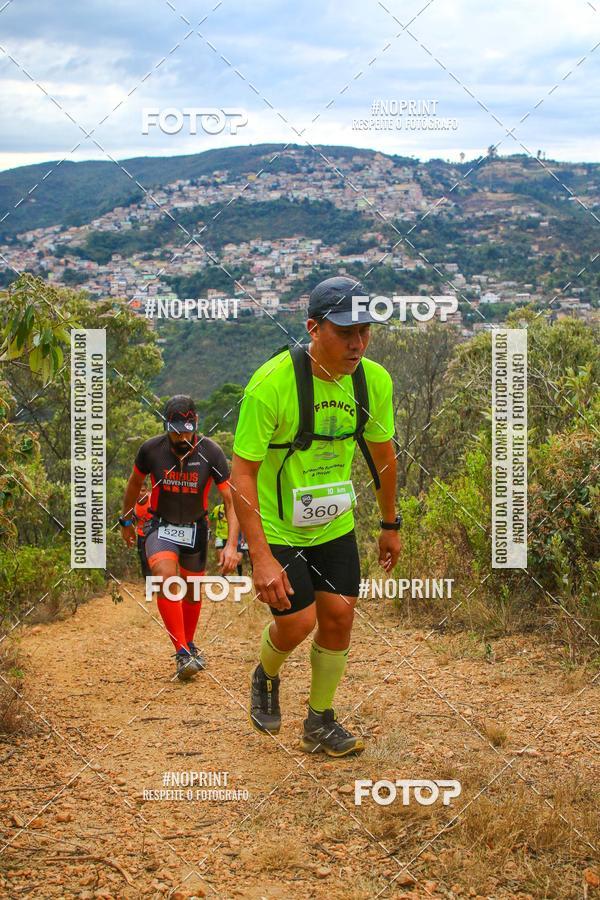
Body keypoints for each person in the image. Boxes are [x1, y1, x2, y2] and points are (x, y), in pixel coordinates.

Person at [231, 276, 401, 757]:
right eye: (345, 332)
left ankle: (320, 721)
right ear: (312, 328)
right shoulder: (271, 384)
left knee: (340, 617)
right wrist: (259, 556)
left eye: (365, 331)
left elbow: (383, 456)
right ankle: (266, 673)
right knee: (298, 622)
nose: (358, 343)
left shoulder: (374, 380)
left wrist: (390, 524)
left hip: (333, 522)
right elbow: (240, 474)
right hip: (278, 527)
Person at [120, 395, 240, 680]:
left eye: (186, 429)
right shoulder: (151, 450)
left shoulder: (211, 452)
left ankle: (188, 642)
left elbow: (231, 500)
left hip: (196, 529)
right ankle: (183, 653)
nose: (181, 436)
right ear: (166, 426)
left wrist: (233, 545)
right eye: (175, 430)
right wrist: (126, 519)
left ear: (196, 424)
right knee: (165, 578)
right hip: (160, 526)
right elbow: (134, 484)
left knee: (192, 591)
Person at [134, 481, 152, 581]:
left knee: (153, 559)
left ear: (147, 491)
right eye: (139, 491)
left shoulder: (152, 499)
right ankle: (149, 584)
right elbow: (129, 519)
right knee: (144, 560)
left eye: (143, 491)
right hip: (141, 534)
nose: (141, 493)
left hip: (154, 533)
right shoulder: (133, 502)